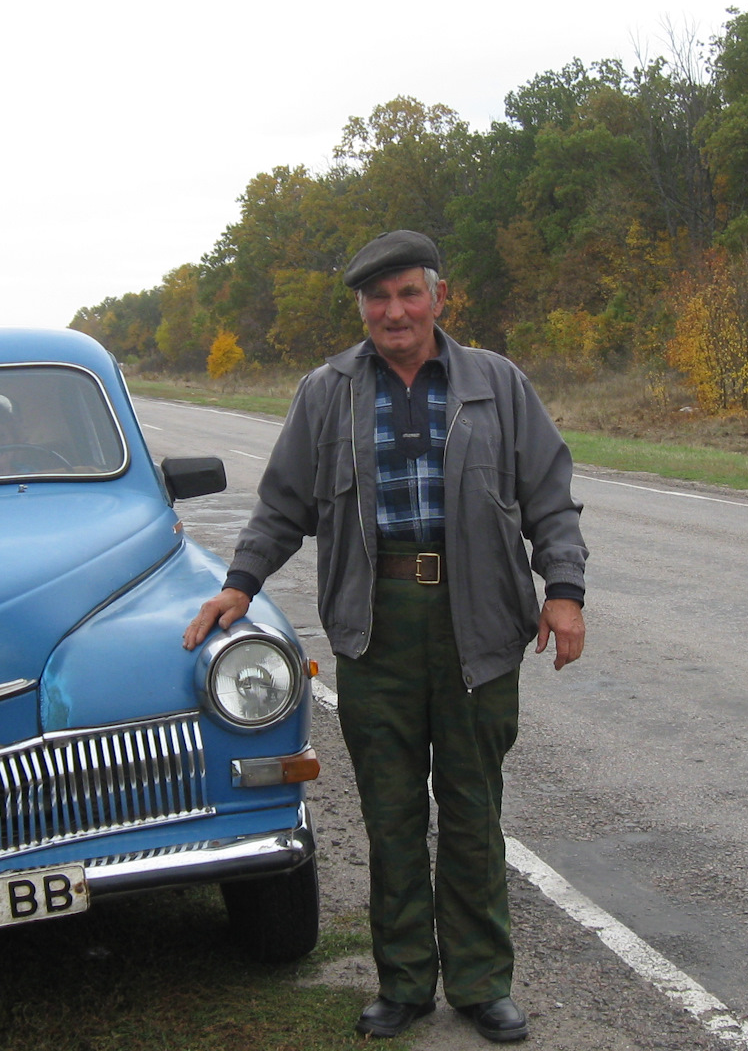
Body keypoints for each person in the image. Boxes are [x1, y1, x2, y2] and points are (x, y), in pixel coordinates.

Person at [182, 230, 587, 1042]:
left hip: (478, 625)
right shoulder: (327, 391)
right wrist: (238, 584)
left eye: (408, 293)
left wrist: (565, 592)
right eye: (378, 298)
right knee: (392, 816)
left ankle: (480, 983)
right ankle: (404, 983)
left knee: (472, 810)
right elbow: (284, 504)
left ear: (440, 297)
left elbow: (549, 494)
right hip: (375, 631)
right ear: (362, 309)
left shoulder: (497, 384)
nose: (394, 311)